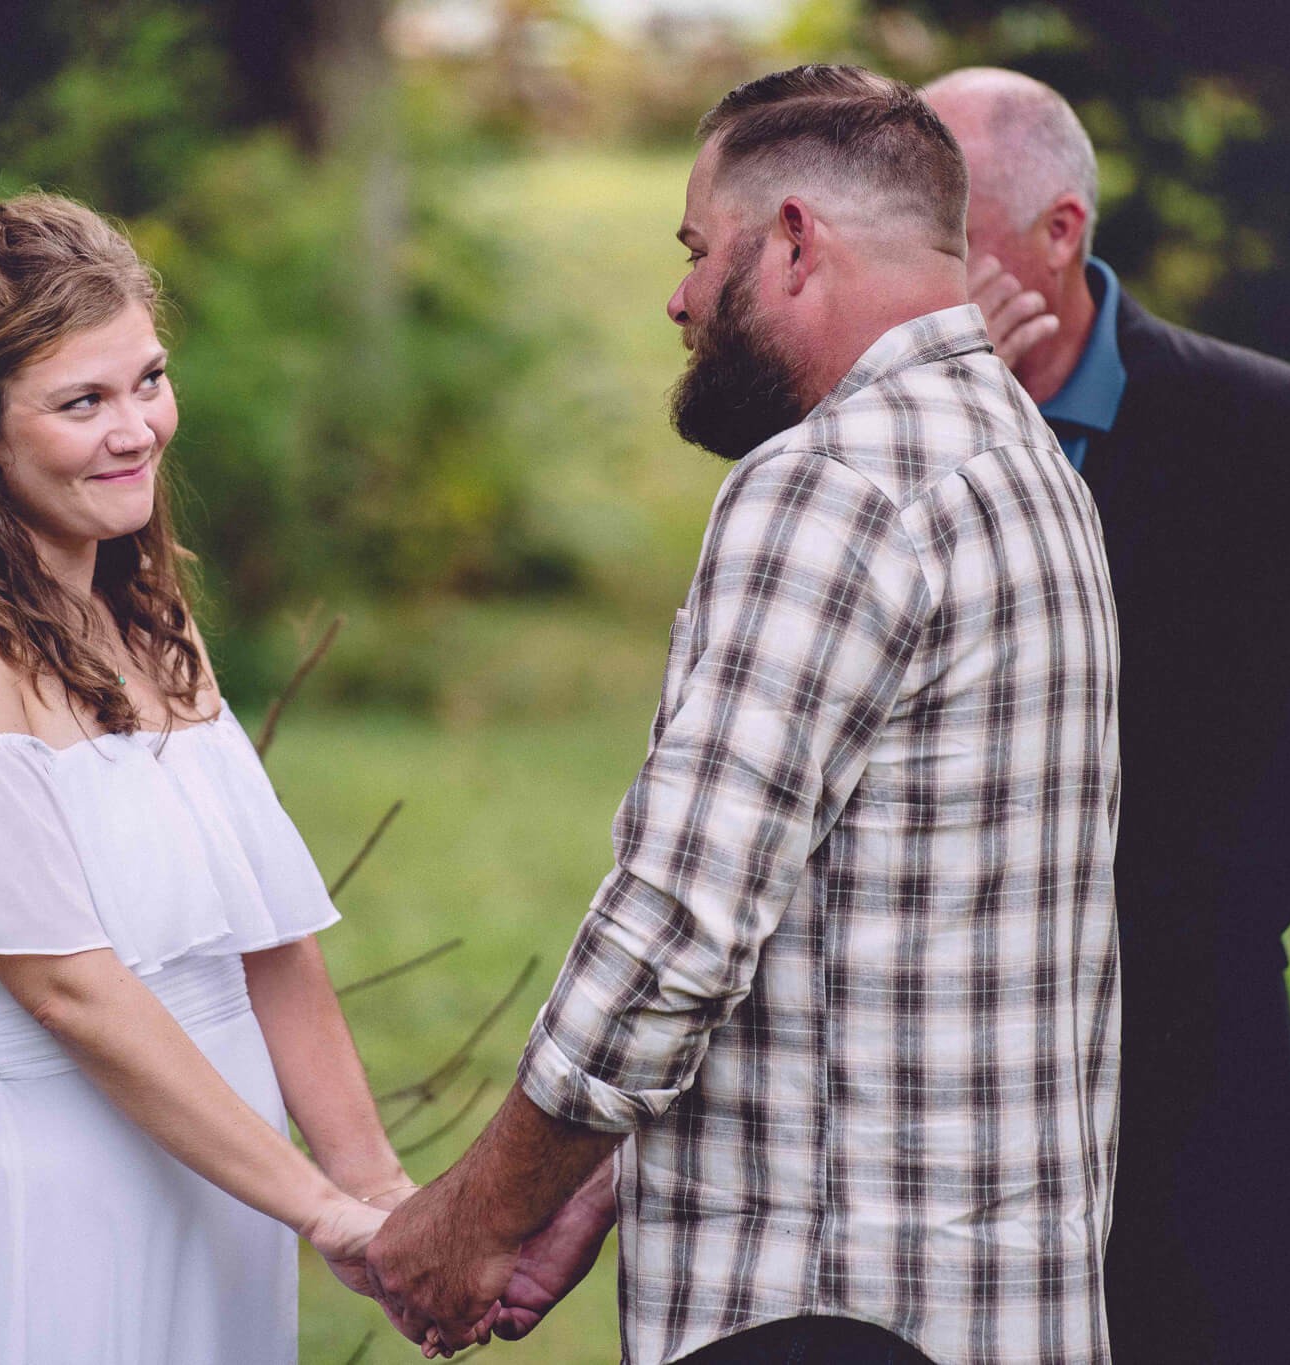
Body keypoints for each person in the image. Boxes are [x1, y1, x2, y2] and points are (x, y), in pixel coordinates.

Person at [367, 66, 1123, 1365]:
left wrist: (472, 1219)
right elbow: (857, 924)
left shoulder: (831, 484)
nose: (675, 296)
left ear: (788, 242)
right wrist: (596, 1191)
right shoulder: (1019, 455)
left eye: (694, 249)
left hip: (825, 1307)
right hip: (996, 1303)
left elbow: (676, 933)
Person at [0, 194, 408, 1364]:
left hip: (223, 1184)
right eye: (82, 403)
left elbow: (269, 938)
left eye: (148, 381)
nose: (137, 429)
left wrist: (373, 1185)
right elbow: (65, 987)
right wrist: (316, 1207)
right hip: (45, 1192)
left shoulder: (145, 614)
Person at [921, 68, 1290, 1364]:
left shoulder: (1276, 432)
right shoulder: (877, 434)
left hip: (1195, 1081)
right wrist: (957, 423)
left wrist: (1102, 959)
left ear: (1058, 234)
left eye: (941, 223)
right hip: (937, 1121)